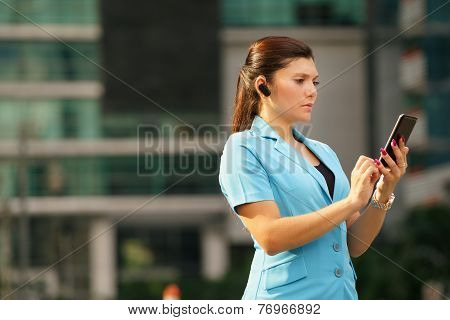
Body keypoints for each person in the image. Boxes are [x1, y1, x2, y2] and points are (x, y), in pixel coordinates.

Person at [218, 36, 409, 299]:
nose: (312, 90)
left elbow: (354, 243)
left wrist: (382, 192)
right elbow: (270, 237)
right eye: (300, 80)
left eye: (314, 81)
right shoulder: (243, 148)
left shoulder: (324, 153)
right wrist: (351, 202)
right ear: (263, 86)